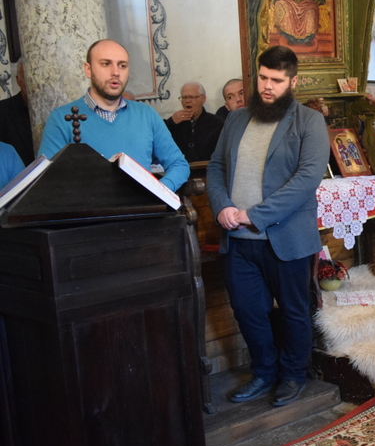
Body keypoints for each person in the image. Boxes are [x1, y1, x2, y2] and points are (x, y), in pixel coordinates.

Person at [206, 45, 330, 407]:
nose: (267, 86)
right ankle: (264, 372)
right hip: (238, 239)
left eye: (276, 80)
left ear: (293, 82)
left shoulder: (309, 121)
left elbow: (307, 179)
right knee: (247, 310)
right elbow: (216, 167)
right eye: (262, 78)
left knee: (293, 311)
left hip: (286, 238)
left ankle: (293, 375)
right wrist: (222, 207)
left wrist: (254, 215)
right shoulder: (236, 119)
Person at [39, 39, 189, 191]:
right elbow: (47, 180)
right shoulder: (62, 119)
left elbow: (178, 164)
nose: (116, 72)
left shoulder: (146, 115)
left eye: (122, 65)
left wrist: (158, 191)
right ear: (88, 69)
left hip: (142, 205)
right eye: (106, 64)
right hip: (88, 205)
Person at [166, 81, 224, 163]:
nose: (187, 101)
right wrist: (171, 122)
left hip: (207, 168)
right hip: (181, 168)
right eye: (184, 97)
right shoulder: (175, 123)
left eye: (191, 97)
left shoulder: (217, 123)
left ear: (203, 99)